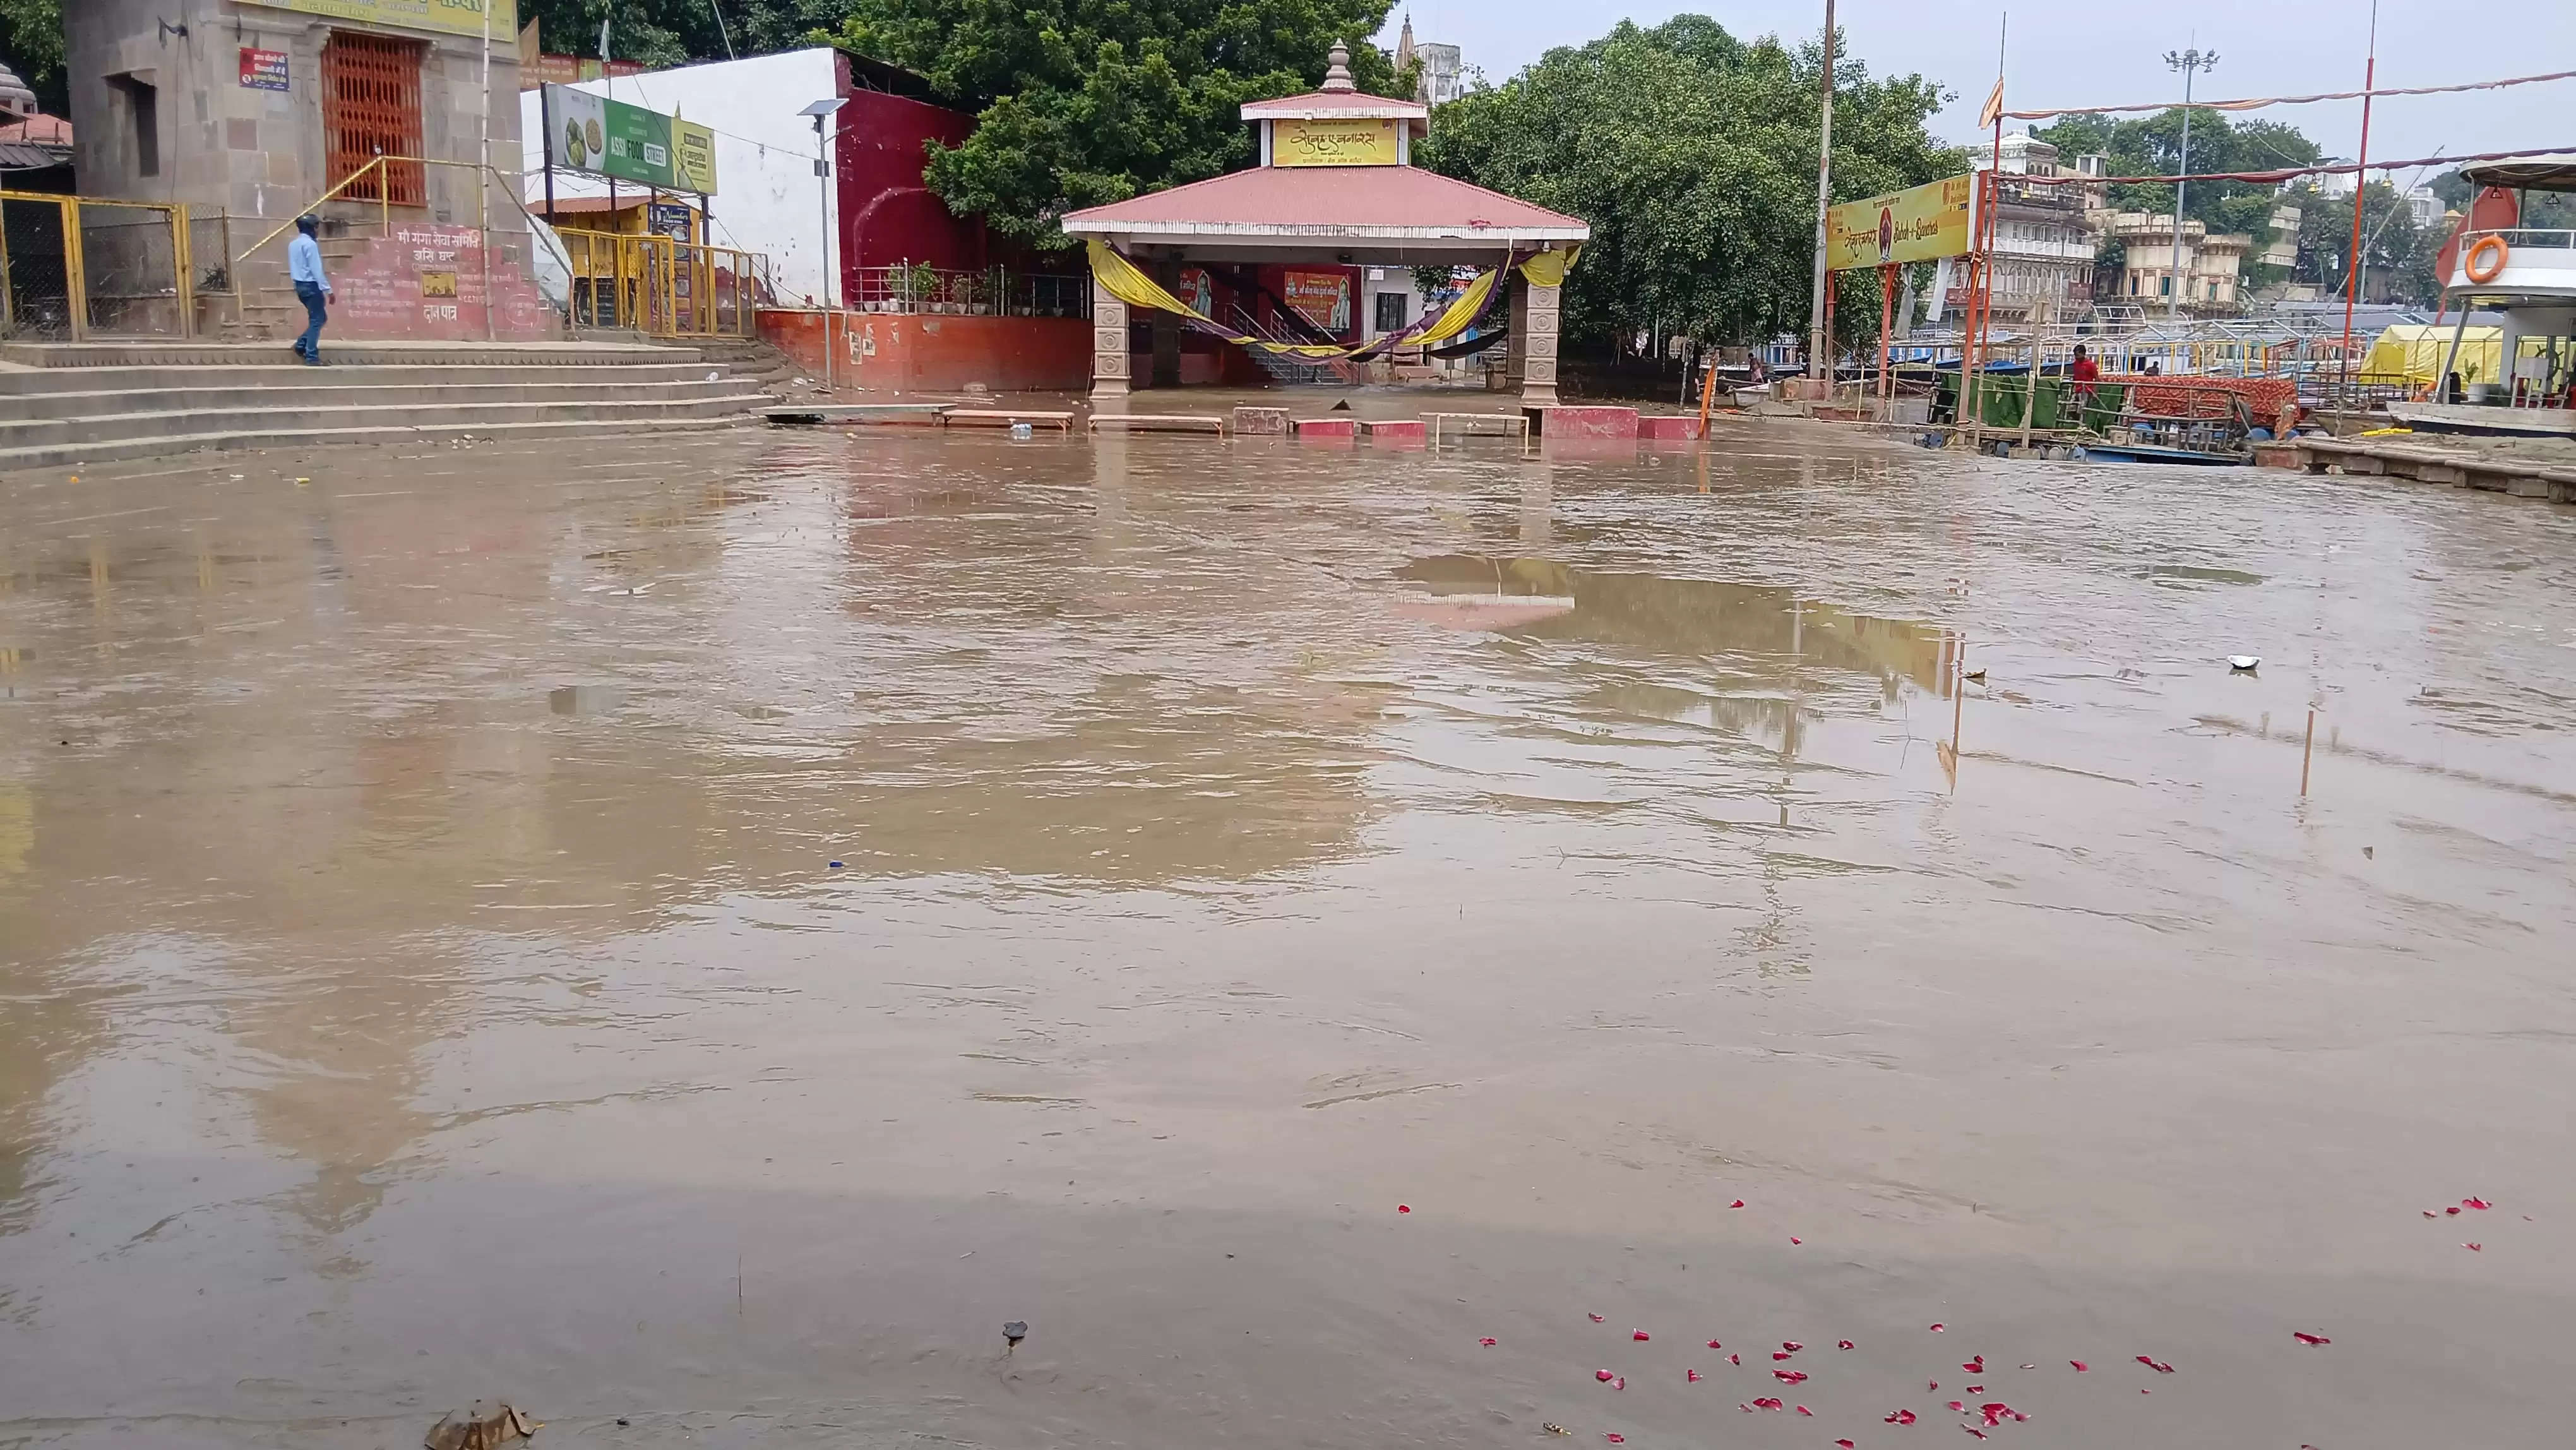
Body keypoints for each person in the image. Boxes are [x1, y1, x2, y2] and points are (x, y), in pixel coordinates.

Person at [287, 215, 331, 364]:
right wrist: (328, 290)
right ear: (312, 228)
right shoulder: (311, 245)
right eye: (317, 227)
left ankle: (301, 345)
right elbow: (316, 270)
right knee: (317, 320)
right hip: (311, 286)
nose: (318, 230)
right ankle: (311, 355)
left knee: (320, 318)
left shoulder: (293, 244)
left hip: (299, 285)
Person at [2069, 342, 2100, 415]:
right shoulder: (2075, 363)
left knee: (2082, 410)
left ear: (2083, 354)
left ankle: (2082, 424)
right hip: (2076, 390)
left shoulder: (2090, 365)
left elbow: (2097, 379)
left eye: (2078, 355)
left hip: (2086, 390)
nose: (2076, 357)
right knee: (2070, 409)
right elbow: (2075, 376)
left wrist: (2095, 393)